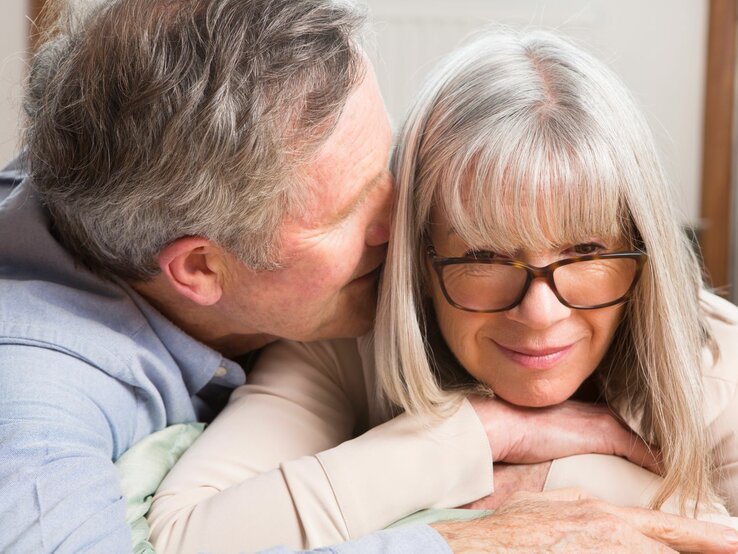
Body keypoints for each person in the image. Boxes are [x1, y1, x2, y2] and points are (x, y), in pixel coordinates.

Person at [149, 27, 738, 554]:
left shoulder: (713, 363)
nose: (540, 312)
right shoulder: (343, 346)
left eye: (585, 253)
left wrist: (553, 479)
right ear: (419, 259)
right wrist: (483, 435)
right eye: (483, 256)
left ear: (642, 251)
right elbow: (185, 538)